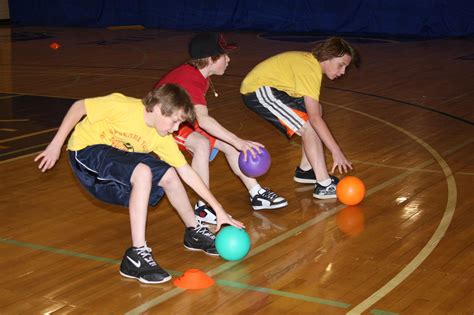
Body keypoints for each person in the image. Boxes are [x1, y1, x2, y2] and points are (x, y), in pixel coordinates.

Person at [34, 84, 244, 285]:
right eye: (174, 122)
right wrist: (55, 145)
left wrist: (218, 210)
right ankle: (137, 255)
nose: (177, 129)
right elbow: (80, 106)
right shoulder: (123, 106)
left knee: (169, 174)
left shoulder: (160, 137)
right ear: (159, 109)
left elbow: (187, 173)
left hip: (116, 156)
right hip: (86, 151)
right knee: (143, 172)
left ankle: (194, 231)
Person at [155, 33, 287, 225]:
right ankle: (203, 208)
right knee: (202, 144)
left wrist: (233, 142)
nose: (229, 59)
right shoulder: (189, 79)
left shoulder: (199, 75)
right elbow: (203, 119)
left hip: (180, 120)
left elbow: (198, 117)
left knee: (228, 144)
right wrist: (239, 141)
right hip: (163, 125)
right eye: (225, 55)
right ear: (211, 59)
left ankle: (256, 193)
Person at [240, 37, 360, 199]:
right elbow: (315, 120)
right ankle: (324, 184)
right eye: (341, 65)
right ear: (328, 57)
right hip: (258, 90)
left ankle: (305, 170)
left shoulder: (310, 65)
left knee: (317, 109)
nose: (343, 71)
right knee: (309, 125)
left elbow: (315, 112)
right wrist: (336, 151)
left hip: (272, 88)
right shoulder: (310, 70)